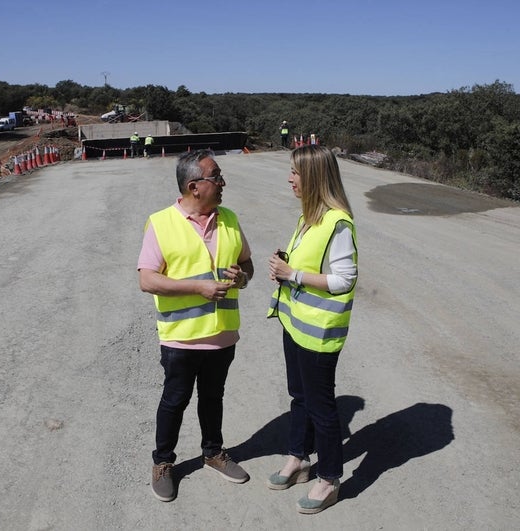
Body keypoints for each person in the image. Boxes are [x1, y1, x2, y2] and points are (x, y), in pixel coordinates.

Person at [138, 149, 254, 502]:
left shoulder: (230, 218)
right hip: (181, 339)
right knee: (175, 400)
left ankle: (213, 452)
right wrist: (197, 287)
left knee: (213, 397)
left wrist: (241, 278)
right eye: (216, 176)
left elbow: (246, 265)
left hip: (222, 336)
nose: (223, 183)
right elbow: (147, 280)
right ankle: (163, 463)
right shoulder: (161, 223)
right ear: (194, 186)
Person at [266, 144, 358, 515]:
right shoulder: (309, 218)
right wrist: (284, 265)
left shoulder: (338, 222)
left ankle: (330, 478)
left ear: (315, 177)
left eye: (296, 172)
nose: (290, 179)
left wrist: (294, 274)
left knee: (321, 406)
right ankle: (299, 459)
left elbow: (344, 280)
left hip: (319, 333)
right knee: (299, 396)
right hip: (296, 324)